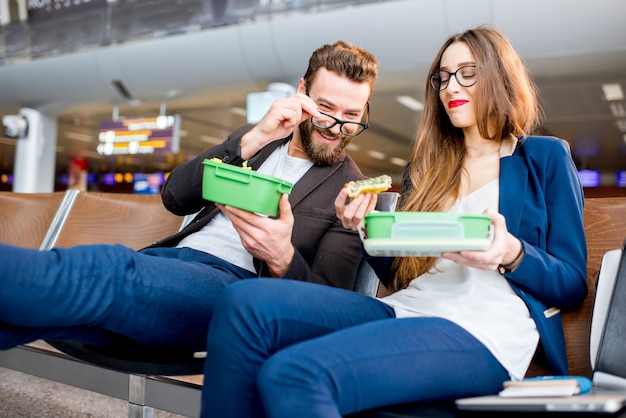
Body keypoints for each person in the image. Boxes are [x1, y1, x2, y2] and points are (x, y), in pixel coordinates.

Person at [199, 25, 588, 418]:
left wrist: (510, 252)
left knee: (293, 373)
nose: (451, 86)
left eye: (467, 73)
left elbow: (571, 283)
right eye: (443, 77)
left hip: (483, 329)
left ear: (499, 76)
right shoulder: (426, 169)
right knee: (242, 302)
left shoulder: (543, 158)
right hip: (408, 309)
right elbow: (403, 277)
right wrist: (366, 232)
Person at [0, 40, 379, 353]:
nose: (336, 127)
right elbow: (175, 196)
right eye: (325, 109)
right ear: (302, 93)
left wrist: (282, 258)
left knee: (104, 271)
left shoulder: (349, 191)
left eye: (351, 115)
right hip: (169, 263)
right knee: (34, 318)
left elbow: (327, 307)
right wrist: (253, 139)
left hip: (232, 288)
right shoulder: (258, 138)